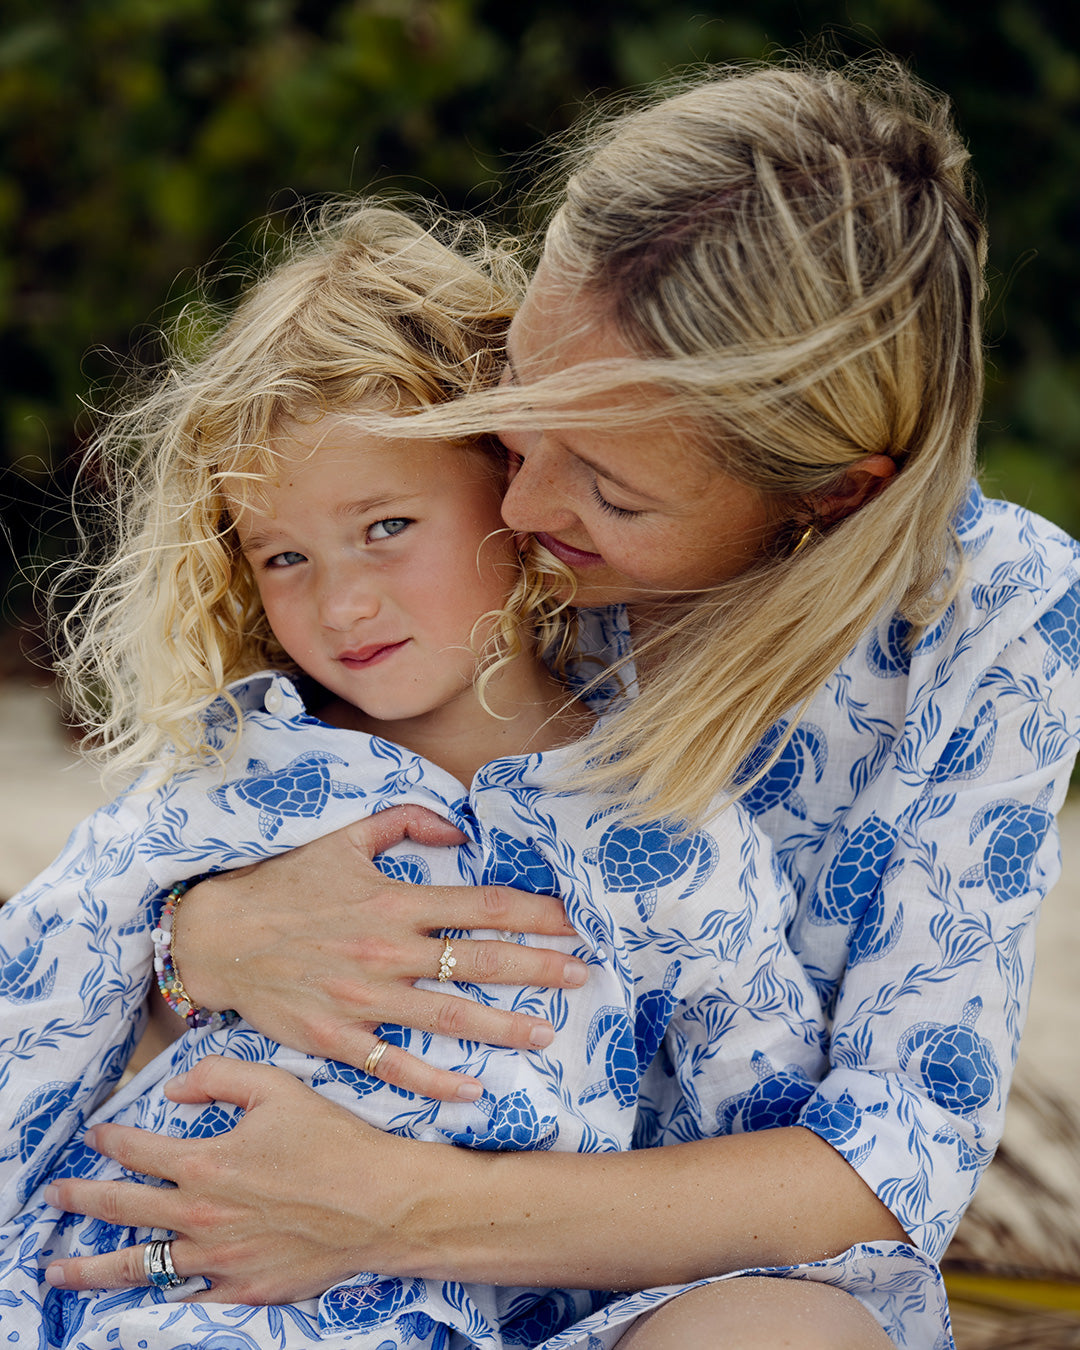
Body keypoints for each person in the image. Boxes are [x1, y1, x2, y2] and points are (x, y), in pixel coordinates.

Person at [36, 54, 1080, 1350]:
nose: (523, 509)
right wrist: (200, 933)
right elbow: (188, 825)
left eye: (611, 490)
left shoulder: (993, 614)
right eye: (518, 419)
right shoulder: (458, 519)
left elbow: (892, 1161)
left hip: (675, 1258)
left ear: (833, 497)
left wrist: (397, 1208)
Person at [0, 202, 831, 1348]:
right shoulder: (244, 763)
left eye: (386, 525)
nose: (338, 603)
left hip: (476, 1309)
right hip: (186, 1297)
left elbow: (758, 1109)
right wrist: (179, 945)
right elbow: (44, 973)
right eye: (283, 554)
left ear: (511, 485)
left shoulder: (659, 814)